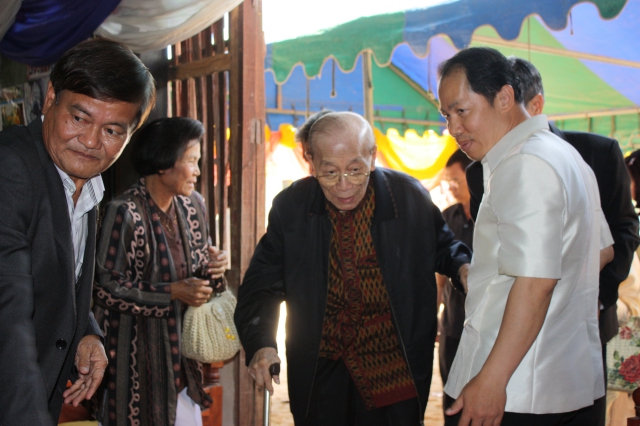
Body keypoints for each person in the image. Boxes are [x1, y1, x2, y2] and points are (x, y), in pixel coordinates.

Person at [234, 111, 472, 425]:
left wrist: (463, 267)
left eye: (355, 170)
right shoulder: (291, 208)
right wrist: (262, 343)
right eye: (330, 172)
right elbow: (261, 285)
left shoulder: (408, 197)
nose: (343, 185)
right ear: (311, 161)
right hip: (322, 368)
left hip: (393, 364)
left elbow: (443, 247)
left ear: (372, 157)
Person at [438, 47, 615, 426]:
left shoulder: (524, 162)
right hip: (563, 378)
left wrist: (493, 378)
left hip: (515, 387)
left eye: (462, 111)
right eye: (446, 116)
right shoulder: (563, 153)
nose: (453, 128)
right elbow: (602, 251)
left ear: (504, 97)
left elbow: (536, 282)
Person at [0, 38, 155, 425]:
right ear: (51, 97)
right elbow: (7, 313)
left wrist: (86, 331)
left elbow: (52, 276)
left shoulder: (85, 185)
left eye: (112, 130)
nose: (90, 142)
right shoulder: (12, 169)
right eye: (79, 118)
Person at [92, 117, 229, 426]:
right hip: (134, 365)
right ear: (164, 163)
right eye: (191, 161)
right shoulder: (124, 212)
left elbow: (200, 272)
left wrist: (215, 267)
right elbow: (105, 287)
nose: (197, 171)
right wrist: (172, 292)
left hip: (181, 363)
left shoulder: (193, 206)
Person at [436, 149, 473, 424]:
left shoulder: (492, 216)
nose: (451, 187)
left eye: (456, 180)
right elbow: (438, 275)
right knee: (451, 396)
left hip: (483, 328)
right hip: (452, 326)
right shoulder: (447, 217)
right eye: (447, 181)